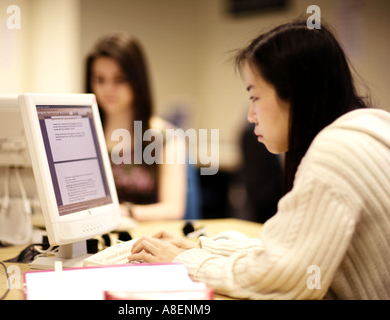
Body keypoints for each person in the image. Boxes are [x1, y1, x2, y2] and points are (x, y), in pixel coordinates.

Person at [128, 20, 390, 299]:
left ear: (296, 95)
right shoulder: (370, 126)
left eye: (255, 97)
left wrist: (183, 262)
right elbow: (292, 250)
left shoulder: (334, 153)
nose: (251, 115)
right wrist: (200, 249)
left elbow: (279, 278)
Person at [86, 32, 187, 221]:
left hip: (142, 237)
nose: (107, 89)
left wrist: (125, 213)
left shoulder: (165, 136)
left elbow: (173, 209)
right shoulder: (83, 134)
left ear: (137, 81)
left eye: (119, 79)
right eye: (100, 79)